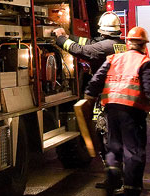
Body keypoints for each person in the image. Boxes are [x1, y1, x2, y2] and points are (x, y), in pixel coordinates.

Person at [84, 26, 150, 196]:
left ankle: (112, 172)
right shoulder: (145, 62)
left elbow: (96, 80)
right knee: (134, 154)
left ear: (128, 43)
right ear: (143, 45)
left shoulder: (113, 58)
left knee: (114, 146)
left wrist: (89, 95)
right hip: (133, 112)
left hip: (111, 108)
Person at [53, 12, 125, 166]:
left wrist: (61, 39)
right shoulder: (120, 45)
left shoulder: (104, 47)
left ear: (103, 30)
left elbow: (81, 50)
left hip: (108, 96)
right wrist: (69, 36)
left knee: (104, 131)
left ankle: (112, 167)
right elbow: (89, 42)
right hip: (119, 95)